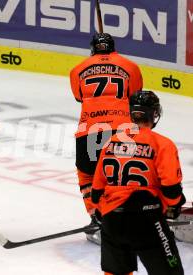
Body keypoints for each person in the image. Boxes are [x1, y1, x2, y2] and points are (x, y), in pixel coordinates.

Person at [91, 90, 185, 275]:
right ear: (154, 113)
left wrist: (104, 211)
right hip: (147, 220)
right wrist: (174, 206)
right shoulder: (162, 144)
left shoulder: (112, 141)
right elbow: (172, 190)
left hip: (112, 219)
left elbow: (96, 192)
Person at [69, 33, 143, 243]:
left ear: (93, 49)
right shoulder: (130, 66)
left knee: (87, 175)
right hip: (123, 129)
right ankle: (130, 215)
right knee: (123, 173)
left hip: (89, 130)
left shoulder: (77, 70)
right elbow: (135, 97)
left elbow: (78, 97)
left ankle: (97, 217)